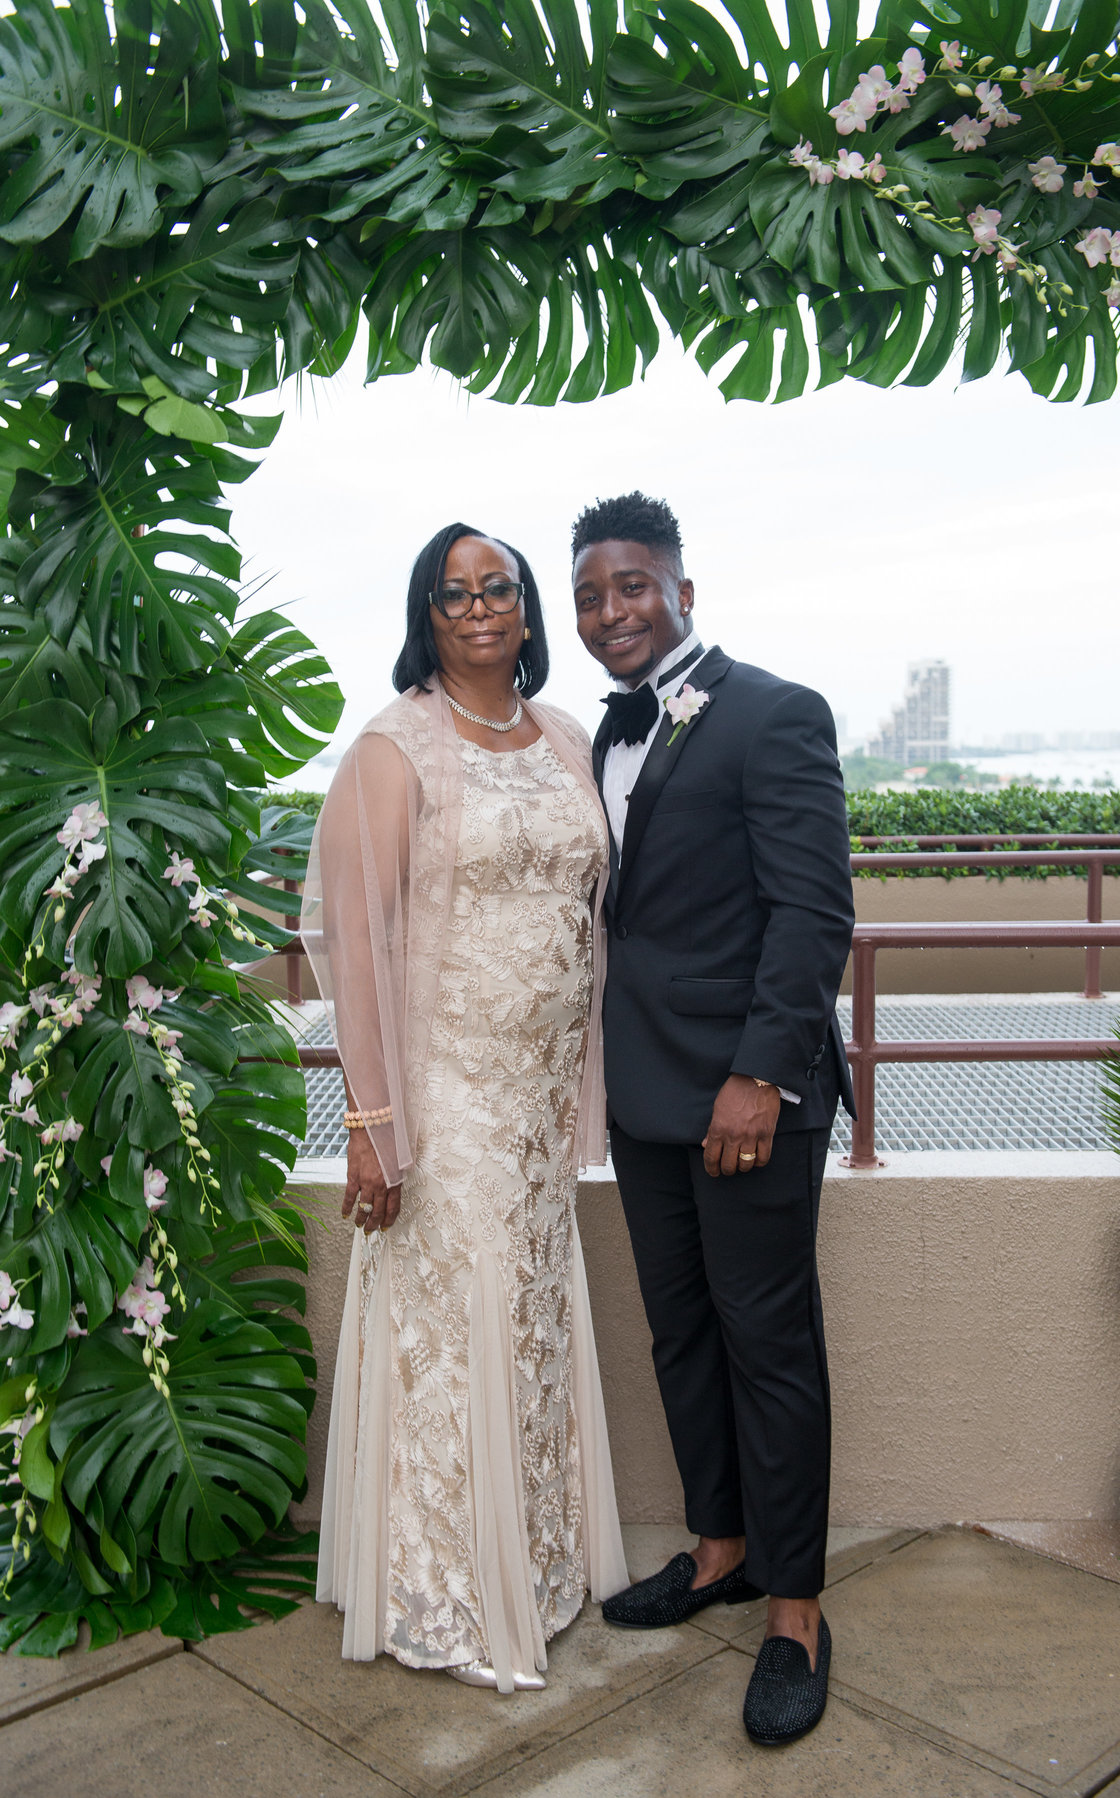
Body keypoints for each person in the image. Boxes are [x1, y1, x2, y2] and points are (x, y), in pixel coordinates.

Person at [301, 523, 628, 1694]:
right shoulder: (395, 750)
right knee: (458, 1324)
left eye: (500, 586)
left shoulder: (570, 741)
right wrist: (374, 1127)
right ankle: (442, 1588)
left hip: (538, 1107)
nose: (480, 605)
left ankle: (534, 1565)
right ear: (426, 615)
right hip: (450, 1099)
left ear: (529, 610)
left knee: (531, 1315)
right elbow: (358, 945)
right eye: (456, 592)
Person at [571, 492, 855, 1747]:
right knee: (680, 1338)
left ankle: (794, 1612)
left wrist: (761, 1076)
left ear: (685, 588)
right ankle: (717, 1548)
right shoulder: (597, 739)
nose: (611, 611)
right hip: (643, 1099)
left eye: (632, 585)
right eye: (589, 596)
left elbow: (811, 916)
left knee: (769, 1346)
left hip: (747, 1098)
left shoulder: (774, 712)